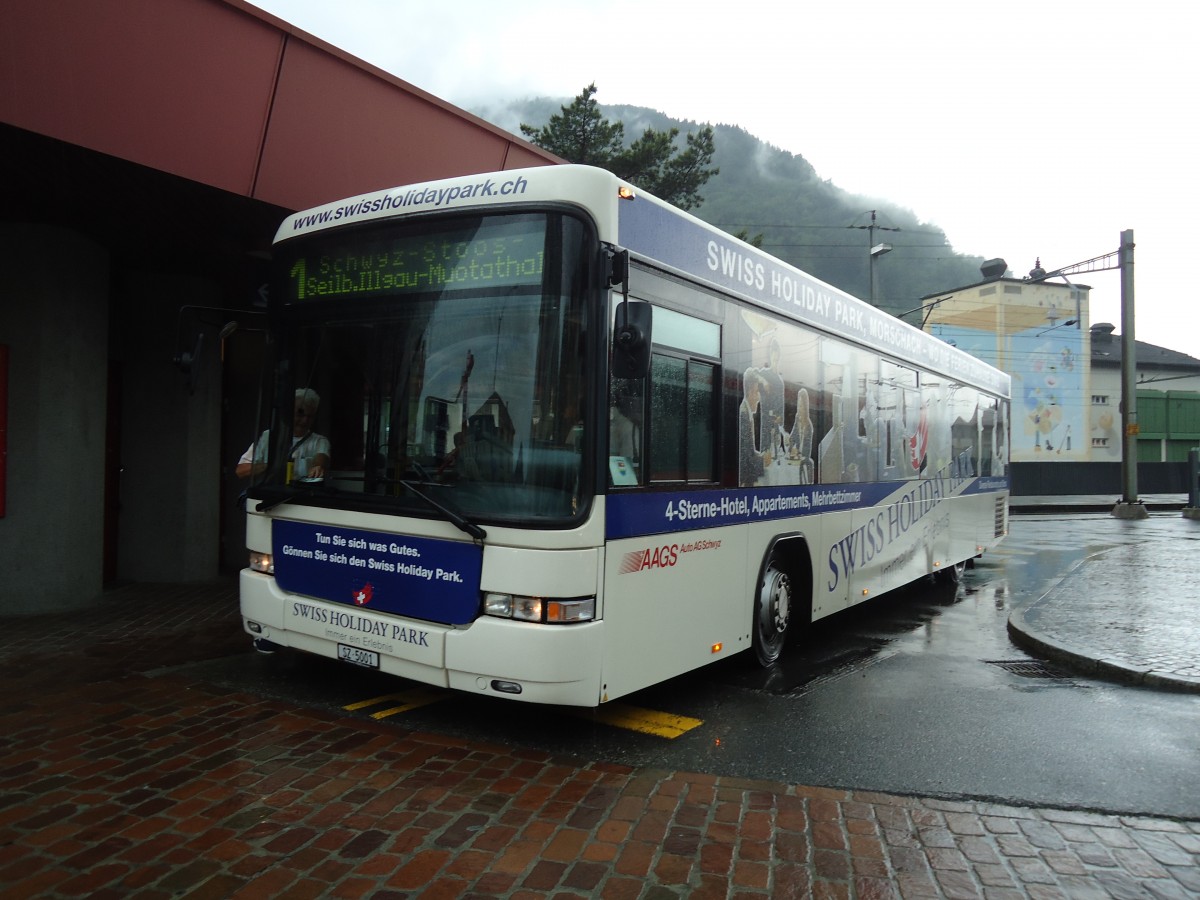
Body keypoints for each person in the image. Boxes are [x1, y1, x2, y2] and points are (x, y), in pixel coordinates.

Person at [237, 388, 330, 480]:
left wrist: (318, 466)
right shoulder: (268, 436)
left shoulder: (320, 441)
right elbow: (241, 470)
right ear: (288, 413)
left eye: (310, 416)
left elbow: (321, 459)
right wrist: (271, 466)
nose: (305, 420)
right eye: (300, 415)